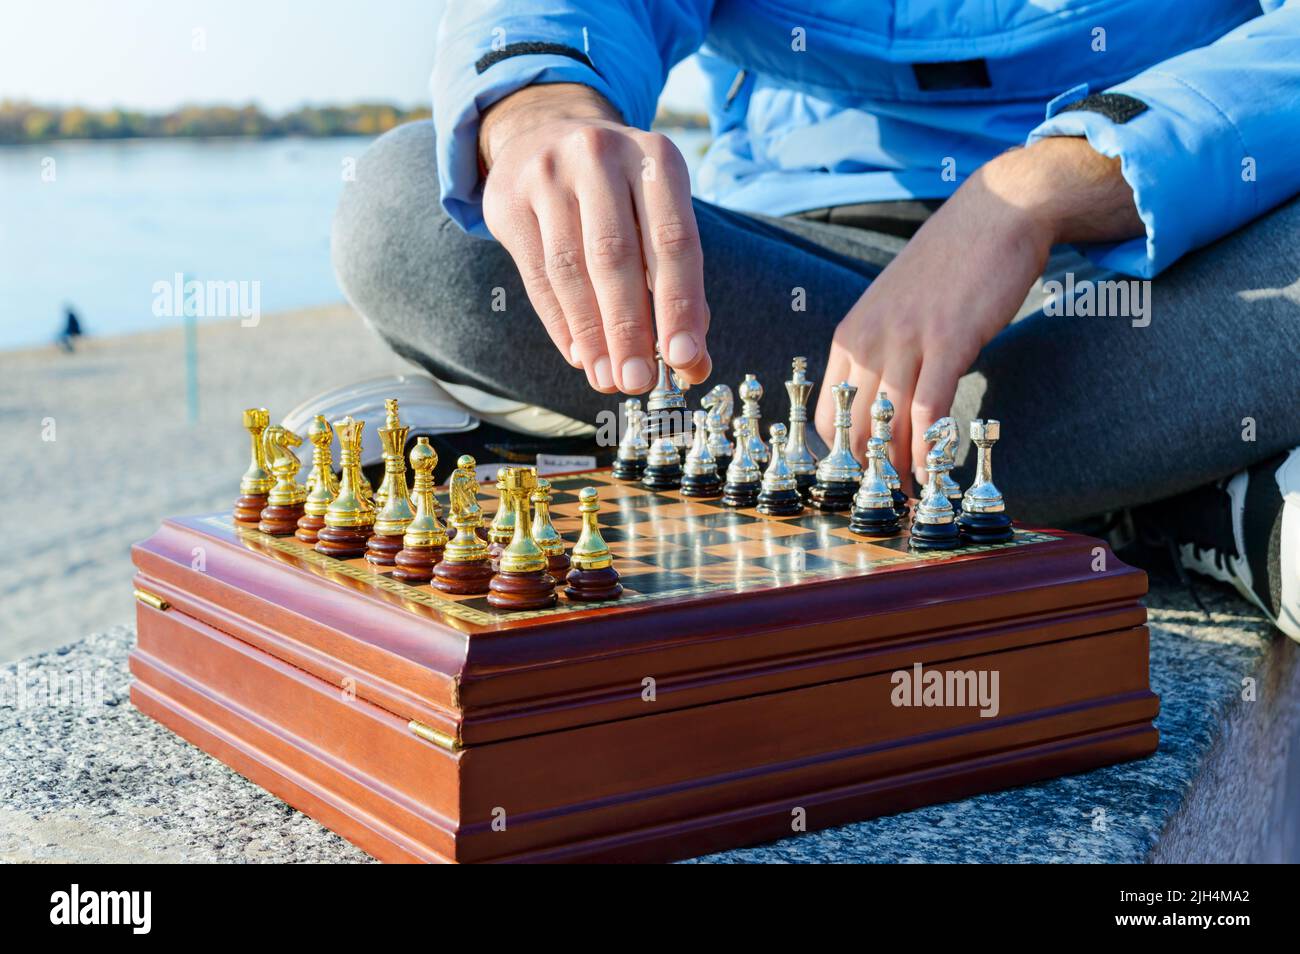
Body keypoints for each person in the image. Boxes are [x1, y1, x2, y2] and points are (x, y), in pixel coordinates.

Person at [331, 0, 1300, 639]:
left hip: (1152, 254)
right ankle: (1170, 483)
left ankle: (708, 457)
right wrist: (540, 105)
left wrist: (1053, 180)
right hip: (806, 293)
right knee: (403, 207)